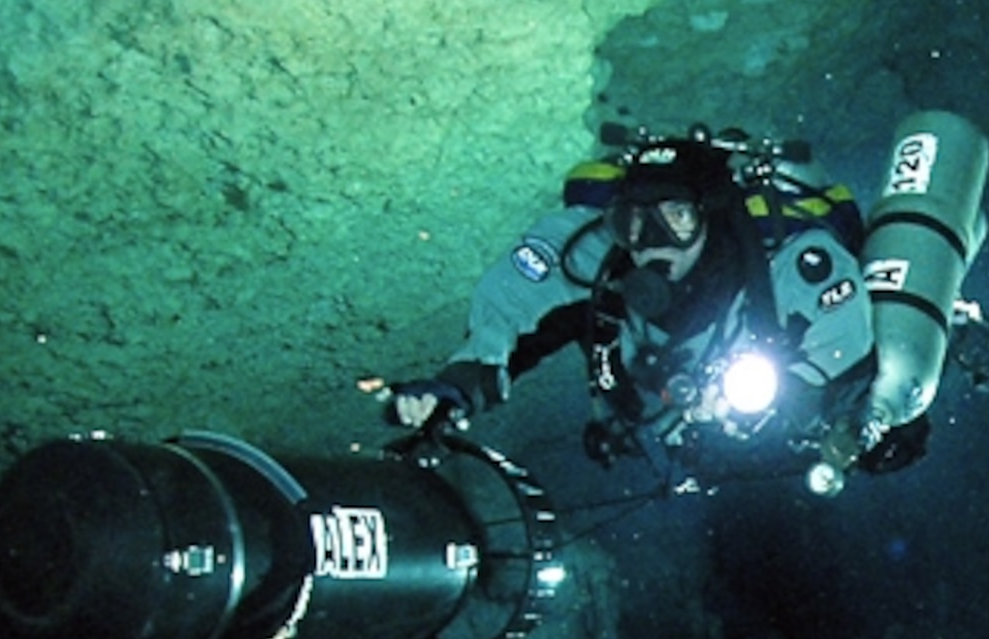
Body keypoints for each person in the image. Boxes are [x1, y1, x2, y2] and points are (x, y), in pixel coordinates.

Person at [385, 127, 931, 478]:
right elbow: (517, 304)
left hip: (779, 408)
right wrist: (460, 384)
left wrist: (781, 402)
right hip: (668, 398)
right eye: (633, 221)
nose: (651, 243)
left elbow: (851, 365)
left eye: (676, 219)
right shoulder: (599, 254)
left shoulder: (798, 269)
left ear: (711, 216)